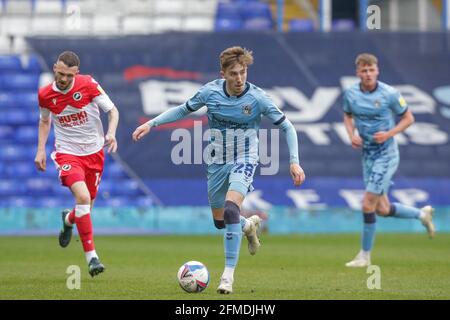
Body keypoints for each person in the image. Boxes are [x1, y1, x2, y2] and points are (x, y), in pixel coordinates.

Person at [132, 46, 305, 293]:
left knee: (232, 209)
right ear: (222, 74)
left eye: (243, 72)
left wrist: (294, 161)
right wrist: (152, 123)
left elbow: (288, 127)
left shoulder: (257, 98)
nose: (239, 78)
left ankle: (227, 277)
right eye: (233, 73)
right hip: (216, 160)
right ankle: (248, 226)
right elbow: (183, 110)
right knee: (221, 221)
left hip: (245, 157)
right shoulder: (210, 92)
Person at [342, 53, 435, 268]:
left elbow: (409, 118)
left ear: (377, 70)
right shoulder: (351, 94)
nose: (367, 74)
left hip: (386, 154)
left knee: (367, 203)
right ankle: (422, 214)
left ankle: (364, 257)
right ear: (357, 72)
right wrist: (351, 134)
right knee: (381, 209)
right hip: (368, 154)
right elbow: (347, 116)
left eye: (371, 70)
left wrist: (389, 134)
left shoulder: (390, 94)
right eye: (363, 70)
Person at [35, 51, 119, 277]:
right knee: (82, 198)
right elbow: (44, 121)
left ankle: (68, 219)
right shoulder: (45, 95)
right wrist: (41, 149)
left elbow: (112, 110)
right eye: (60, 73)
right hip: (67, 153)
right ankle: (92, 258)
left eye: (68, 76)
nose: (63, 79)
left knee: (85, 209)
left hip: (94, 153)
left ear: (76, 74)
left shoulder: (89, 85)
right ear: (55, 68)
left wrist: (111, 133)